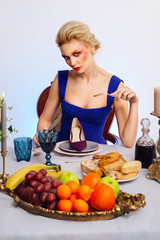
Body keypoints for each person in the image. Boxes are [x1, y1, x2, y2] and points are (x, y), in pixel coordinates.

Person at [33, 20, 139, 148]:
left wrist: (134, 103)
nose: (72, 62)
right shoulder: (61, 79)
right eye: (66, 57)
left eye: (76, 54)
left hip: (95, 158)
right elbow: (45, 119)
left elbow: (128, 141)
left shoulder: (115, 86)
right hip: (61, 154)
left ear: (91, 47)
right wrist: (42, 135)